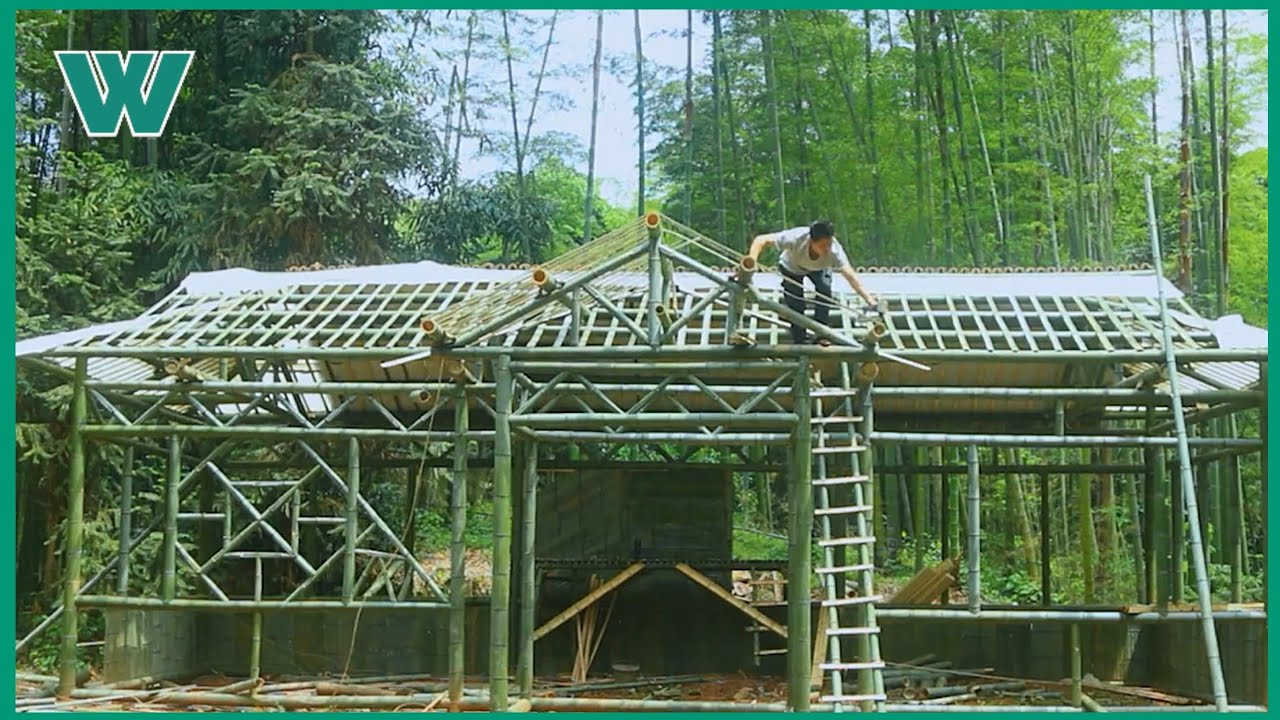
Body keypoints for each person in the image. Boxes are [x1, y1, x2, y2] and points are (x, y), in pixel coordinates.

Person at [746, 220, 877, 345]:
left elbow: (852, 278)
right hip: (792, 267)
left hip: (820, 268)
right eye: (822, 246)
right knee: (795, 303)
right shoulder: (796, 237)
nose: (826, 249)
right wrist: (752, 261)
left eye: (829, 244)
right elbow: (760, 240)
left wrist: (870, 300)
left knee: (825, 292)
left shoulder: (835, 252)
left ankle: (821, 333)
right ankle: (799, 338)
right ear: (811, 241)